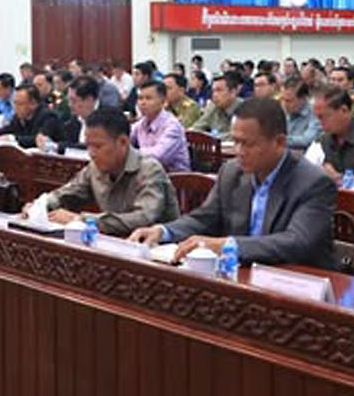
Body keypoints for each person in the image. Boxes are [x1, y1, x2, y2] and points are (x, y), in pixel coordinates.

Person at [128, 97, 336, 269]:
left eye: (248, 144)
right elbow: (204, 218)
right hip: (241, 275)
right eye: (236, 141)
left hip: (296, 280)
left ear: (280, 142)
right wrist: (163, 231)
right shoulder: (231, 172)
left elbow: (296, 242)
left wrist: (226, 245)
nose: (239, 151)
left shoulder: (313, 182)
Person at [36, 107, 179, 235]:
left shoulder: (149, 169)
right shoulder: (95, 167)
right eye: (88, 146)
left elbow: (143, 218)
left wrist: (82, 220)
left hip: (154, 248)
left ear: (123, 142)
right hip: (115, 243)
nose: (91, 153)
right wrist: (42, 205)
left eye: (98, 146)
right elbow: (69, 192)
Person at [129, 82, 190, 172]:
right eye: (140, 98)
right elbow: (124, 137)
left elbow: (159, 156)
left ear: (163, 102)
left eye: (148, 98)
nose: (142, 103)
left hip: (175, 177)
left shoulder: (172, 126)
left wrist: (129, 153)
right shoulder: (142, 123)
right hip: (149, 172)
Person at [0, 84, 62, 148]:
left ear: (33, 104)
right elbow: (7, 130)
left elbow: (38, 140)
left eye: (20, 104)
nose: (16, 107)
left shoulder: (48, 117)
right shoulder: (18, 117)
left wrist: (13, 138)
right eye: (15, 103)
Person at [46, 75, 101, 150]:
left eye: (73, 101)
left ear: (89, 100)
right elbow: (68, 143)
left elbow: (91, 146)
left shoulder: (107, 120)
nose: (69, 105)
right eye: (69, 100)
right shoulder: (73, 122)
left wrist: (58, 146)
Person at [279, 78, 321, 150]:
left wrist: (279, 140)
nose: (284, 104)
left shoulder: (315, 113)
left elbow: (307, 140)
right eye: (282, 99)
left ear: (303, 99)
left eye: (288, 101)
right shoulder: (281, 111)